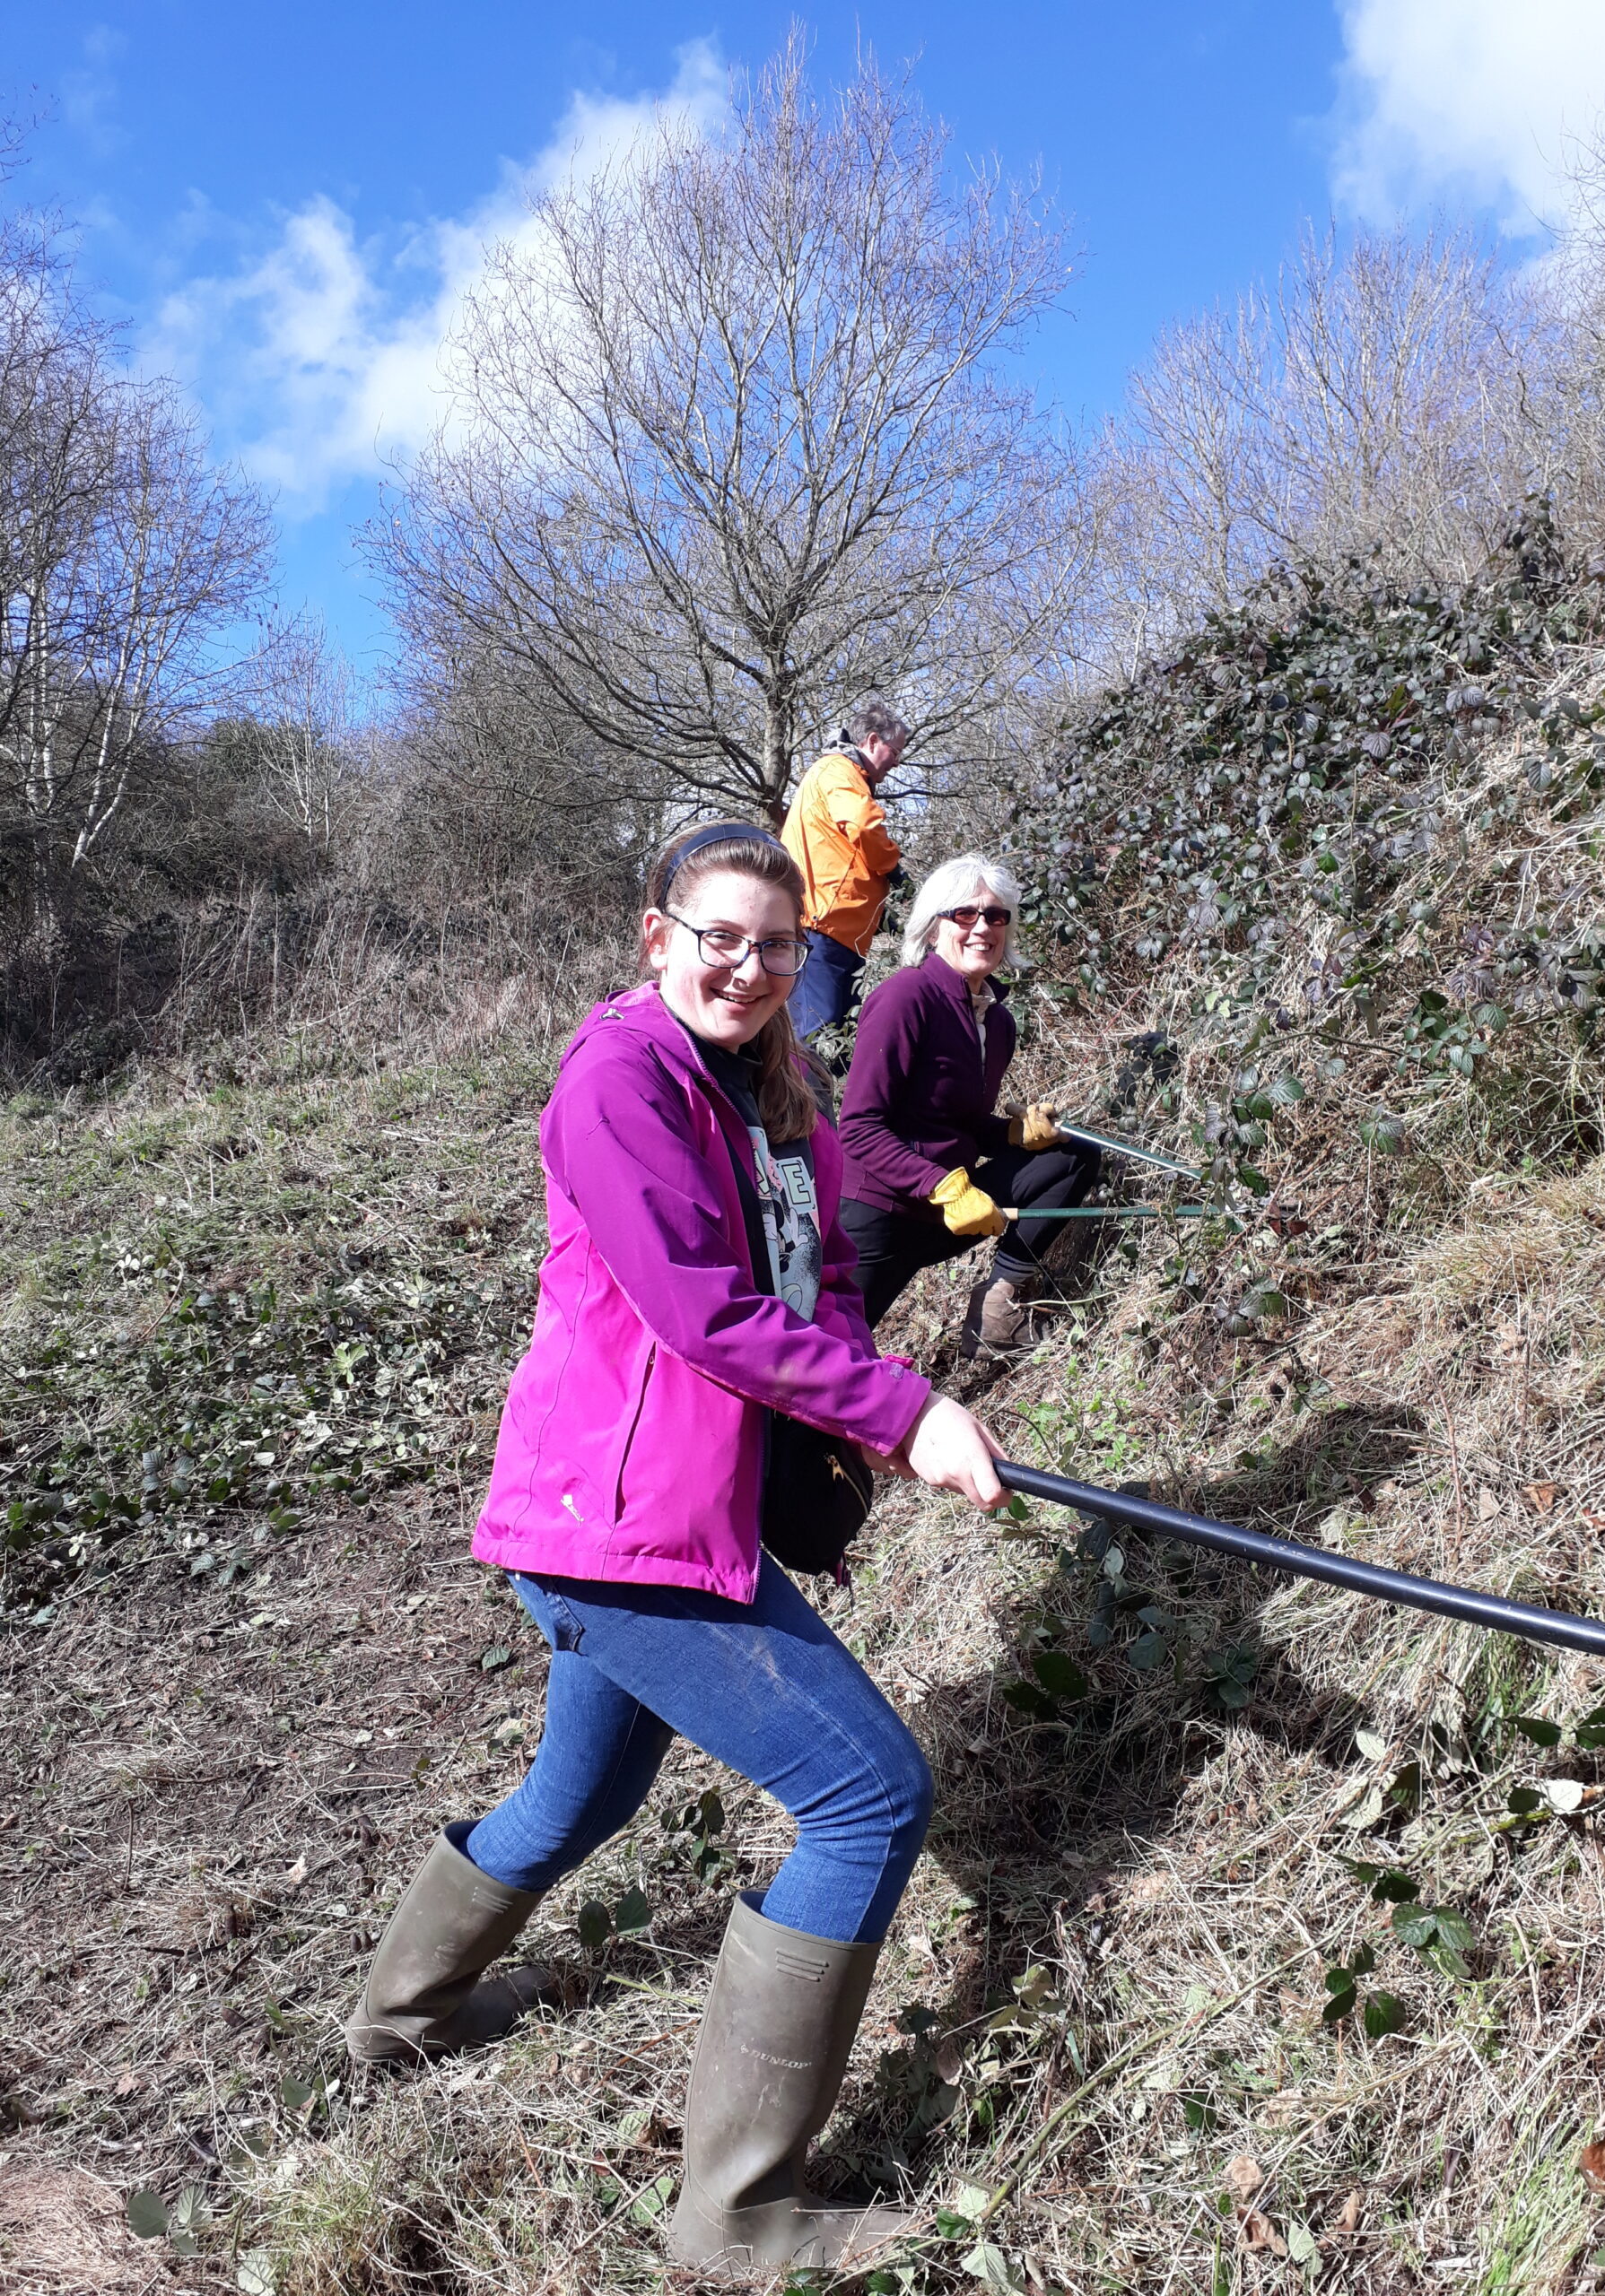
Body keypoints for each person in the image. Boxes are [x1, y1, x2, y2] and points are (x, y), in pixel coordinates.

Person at [345, 822, 1007, 2278]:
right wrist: (908, 1409)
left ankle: (402, 2022)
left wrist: (859, 1399)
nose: (753, 966)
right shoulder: (619, 1083)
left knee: (582, 1793)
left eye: (777, 944)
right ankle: (740, 2214)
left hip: (679, 1518)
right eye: (720, 936)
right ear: (657, 937)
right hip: (619, 1528)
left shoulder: (782, 1085)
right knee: (870, 1798)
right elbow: (701, 1313)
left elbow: (824, 1270)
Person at [837, 855, 1103, 1353]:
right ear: (934, 929)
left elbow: (956, 1121)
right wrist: (939, 1184)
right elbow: (859, 1127)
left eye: (996, 916)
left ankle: (998, 1313)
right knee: (830, 1358)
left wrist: (1008, 1134)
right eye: (965, 914)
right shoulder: (904, 998)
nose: (983, 926)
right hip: (876, 1215)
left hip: (947, 1212)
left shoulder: (998, 1023)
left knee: (1073, 1153)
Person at [781, 697, 909, 1038]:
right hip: (824, 930)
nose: (896, 763)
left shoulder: (840, 775)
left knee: (835, 1041)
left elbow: (843, 855)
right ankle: (805, 1094)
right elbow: (863, 825)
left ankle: (825, 1092)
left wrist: (879, 916)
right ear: (871, 741)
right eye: (895, 752)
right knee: (816, 1039)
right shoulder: (838, 770)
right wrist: (893, 867)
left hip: (838, 931)